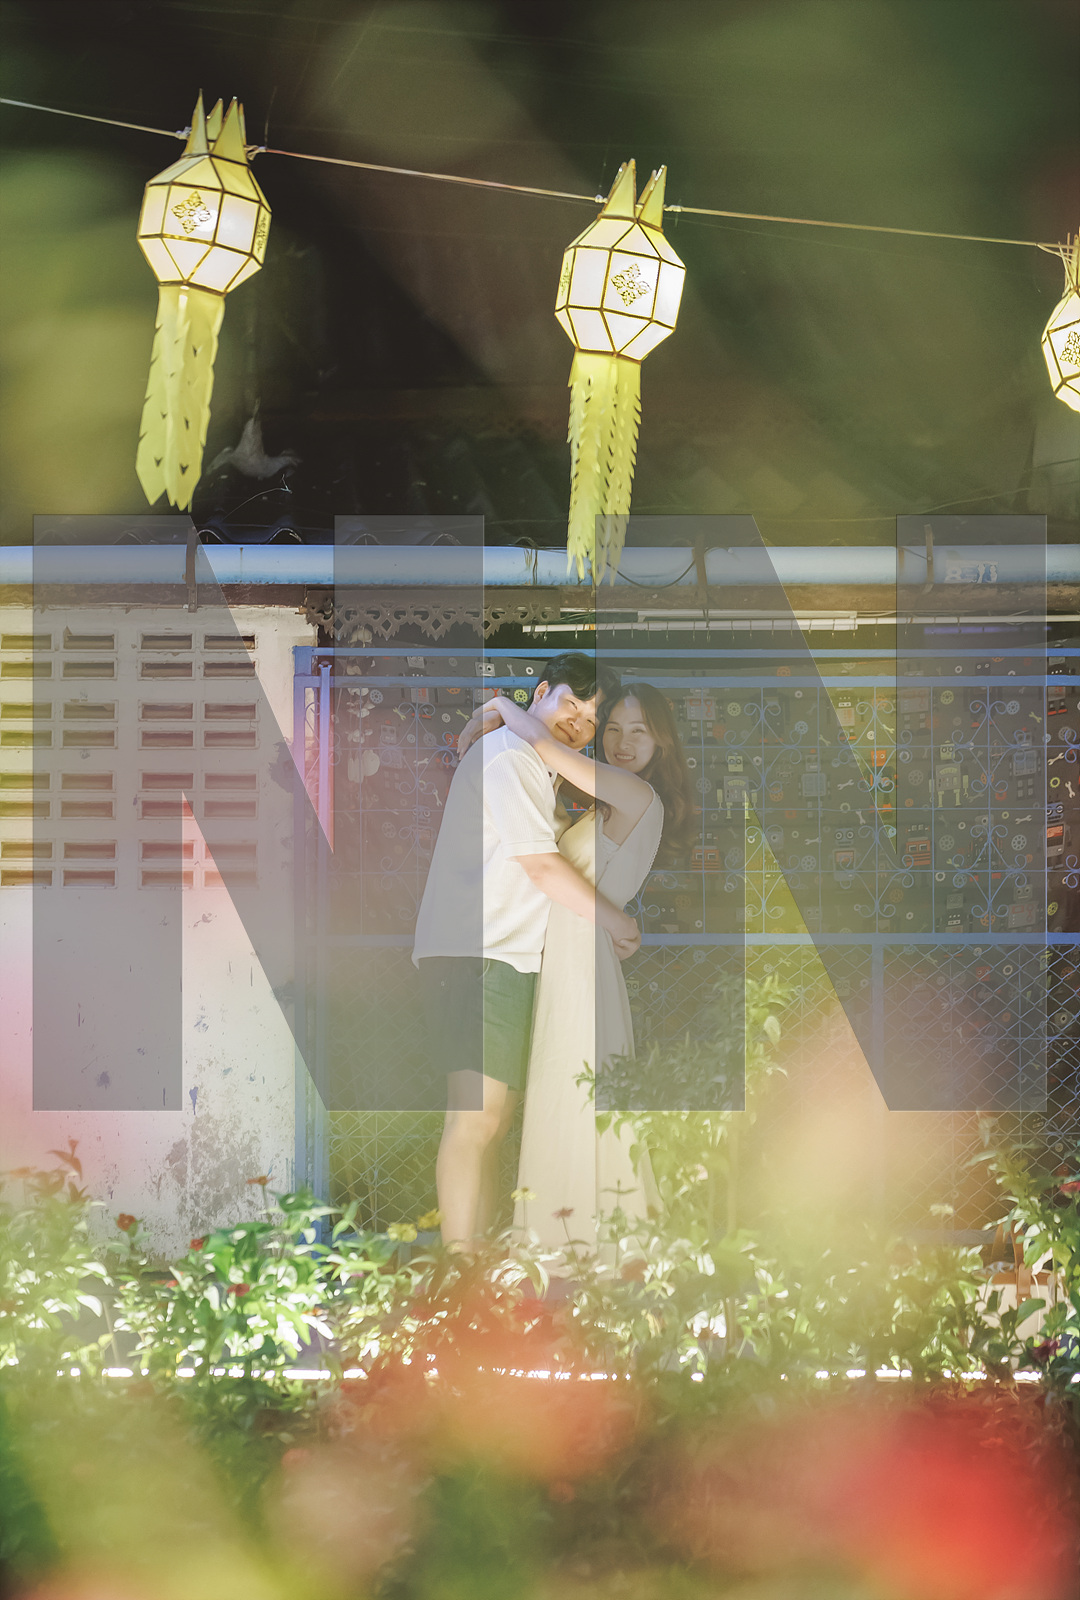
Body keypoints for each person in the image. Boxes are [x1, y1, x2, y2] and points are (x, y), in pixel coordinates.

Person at [412, 654, 639, 1252]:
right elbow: (540, 865)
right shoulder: (510, 757)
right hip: (478, 955)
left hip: (498, 956)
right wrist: (616, 920)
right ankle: (460, 1272)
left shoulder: (530, 760)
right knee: (476, 1120)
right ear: (541, 693)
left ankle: (474, 1262)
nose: (578, 722)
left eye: (592, 719)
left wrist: (501, 709)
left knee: (491, 1122)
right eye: (572, 702)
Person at [458, 682, 694, 1255]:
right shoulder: (602, 800)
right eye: (612, 729)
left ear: (660, 742)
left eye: (638, 731)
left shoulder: (636, 792)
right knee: (562, 1096)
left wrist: (502, 706)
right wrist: (474, 737)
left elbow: (541, 744)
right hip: (567, 955)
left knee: (574, 1094)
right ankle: (569, 1244)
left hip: (580, 964)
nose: (621, 741)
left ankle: (582, 1248)